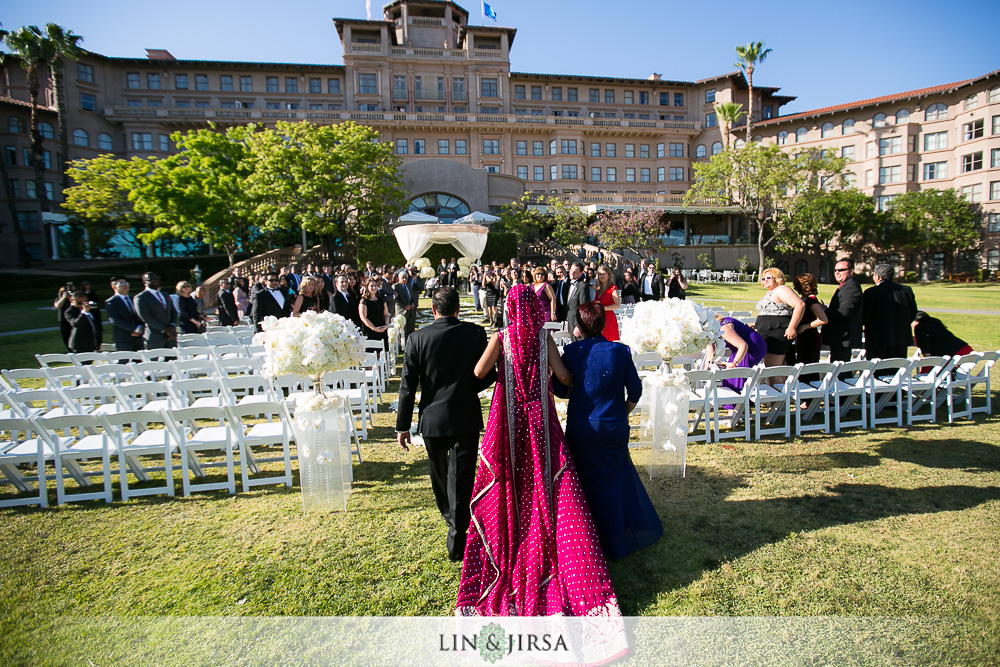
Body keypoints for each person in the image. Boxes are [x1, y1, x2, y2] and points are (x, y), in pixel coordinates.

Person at [457, 285, 624, 620]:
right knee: (546, 478)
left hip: (506, 419)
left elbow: (478, 372)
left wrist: (505, 371)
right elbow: (563, 375)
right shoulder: (543, 337)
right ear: (533, 308)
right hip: (539, 420)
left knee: (506, 480)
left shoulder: (502, 337)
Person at [553, 300, 662, 561]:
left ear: (579, 326)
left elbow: (559, 390)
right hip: (614, 425)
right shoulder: (620, 351)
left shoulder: (574, 351)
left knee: (584, 484)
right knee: (613, 481)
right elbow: (635, 391)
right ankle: (615, 537)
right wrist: (620, 413)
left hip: (582, 427)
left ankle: (590, 540)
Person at [396, 287, 495, 562]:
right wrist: (467, 387)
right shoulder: (474, 333)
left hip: (432, 416)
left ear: (435, 310)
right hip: (464, 412)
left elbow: (408, 386)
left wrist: (402, 426)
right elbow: (485, 375)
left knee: (441, 474)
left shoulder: (417, 338)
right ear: (457, 309)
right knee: (460, 477)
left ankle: (455, 531)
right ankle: (455, 524)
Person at [862, 264, 918, 361]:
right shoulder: (906, 290)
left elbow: (864, 315)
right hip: (900, 338)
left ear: (878, 276)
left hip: (877, 339)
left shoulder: (871, 292)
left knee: (877, 372)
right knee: (896, 371)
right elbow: (913, 312)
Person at [703, 312, 767, 391]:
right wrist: (706, 371)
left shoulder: (724, 328)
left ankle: (738, 400)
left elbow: (743, 345)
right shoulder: (709, 332)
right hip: (739, 349)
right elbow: (710, 354)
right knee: (729, 378)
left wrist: (734, 363)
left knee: (735, 376)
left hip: (754, 347)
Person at [754, 267, 805, 367]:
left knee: (773, 369)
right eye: (763, 279)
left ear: (777, 278)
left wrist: (792, 327)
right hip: (766, 332)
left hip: (777, 332)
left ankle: (775, 384)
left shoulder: (782, 289)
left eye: (769, 277)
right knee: (772, 369)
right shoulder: (771, 291)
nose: (765, 280)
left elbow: (800, 305)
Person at [822, 259, 863, 363]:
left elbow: (843, 312)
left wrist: (823, 310)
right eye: (835, 270)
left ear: (851, 271)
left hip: (843, 337)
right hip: (838, 337)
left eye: (841, 270)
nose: (837, 273)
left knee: (840, 370)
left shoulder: (851, 287)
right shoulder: (845, 286)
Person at [791, 273, 828, 366]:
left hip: (810, 337)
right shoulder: (803, 299)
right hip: (802, 337)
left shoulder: (811, 301)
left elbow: (823, 319)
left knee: (808, 365)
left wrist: (805, 327)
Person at [134, 272, 177, 349]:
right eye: (151, 279)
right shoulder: (141, 297)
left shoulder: (165, 295)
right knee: (153, 360)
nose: (155, 281)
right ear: (144, 282)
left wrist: (172, 326)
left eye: (156, 279)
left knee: (172, 359)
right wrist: (164, 329)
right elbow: (146, 317)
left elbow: (173, 312)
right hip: (154, 336)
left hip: (171, 335)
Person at [105, 277, 144, 352]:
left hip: (138, 338)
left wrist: (140, 328)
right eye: (122, 284)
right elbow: (115, 320)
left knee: (141, 361)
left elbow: (141, 315)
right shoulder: (111, 302)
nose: (125, 285)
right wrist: (134, 329)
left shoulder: (134, 299)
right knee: (124, 361)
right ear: (114, 286)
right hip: (123, 338)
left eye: (126, 283)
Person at [359, 276, 390, 350]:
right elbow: (363, 317)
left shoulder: (381, 299)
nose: (374, 287)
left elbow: (386, 314)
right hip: (370, 330)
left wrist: (386, 325)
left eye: (375, 285)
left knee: (383, 352)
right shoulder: (364, 301)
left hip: (382, 329)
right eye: (371, 286)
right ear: (367, 287)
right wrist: (374, 328)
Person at [565, 261, 592, 341]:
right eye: (571, 271)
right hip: (570, 322)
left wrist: (579, 325)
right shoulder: (570, 285)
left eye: (575, 272)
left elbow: (584, 308)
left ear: (580, 274)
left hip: (578, 325)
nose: (572, 273)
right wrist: (567, 321)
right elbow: (570, 306)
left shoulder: (582, 286)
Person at [593, 264, 621, 341]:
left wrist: (603, 308)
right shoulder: (598, 289)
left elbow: (618, 305)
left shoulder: (613, 288)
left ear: (608, 275)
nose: (601, 276)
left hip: (608, 319)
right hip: (599, 318)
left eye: (603, 274)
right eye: (599, 274)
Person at [393, 270, 417, 338]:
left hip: (410, 312)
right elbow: (396, 301)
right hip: (402, 312)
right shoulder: (395, 287)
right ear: (399, 278)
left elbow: (412, 296)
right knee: (403, 332)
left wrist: (413, 303)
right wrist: (404, 306)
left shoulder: (409, 286)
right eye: (403, 278)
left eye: (406, 278)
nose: (404, 279)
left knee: (411, 330)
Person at [54, 285, 74, 351]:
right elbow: (57, 306)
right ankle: (70, 350)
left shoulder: (72, 299)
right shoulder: (58, 299)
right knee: (66, 336)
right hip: (63, 320)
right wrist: (63, 298)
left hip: (72, 318)